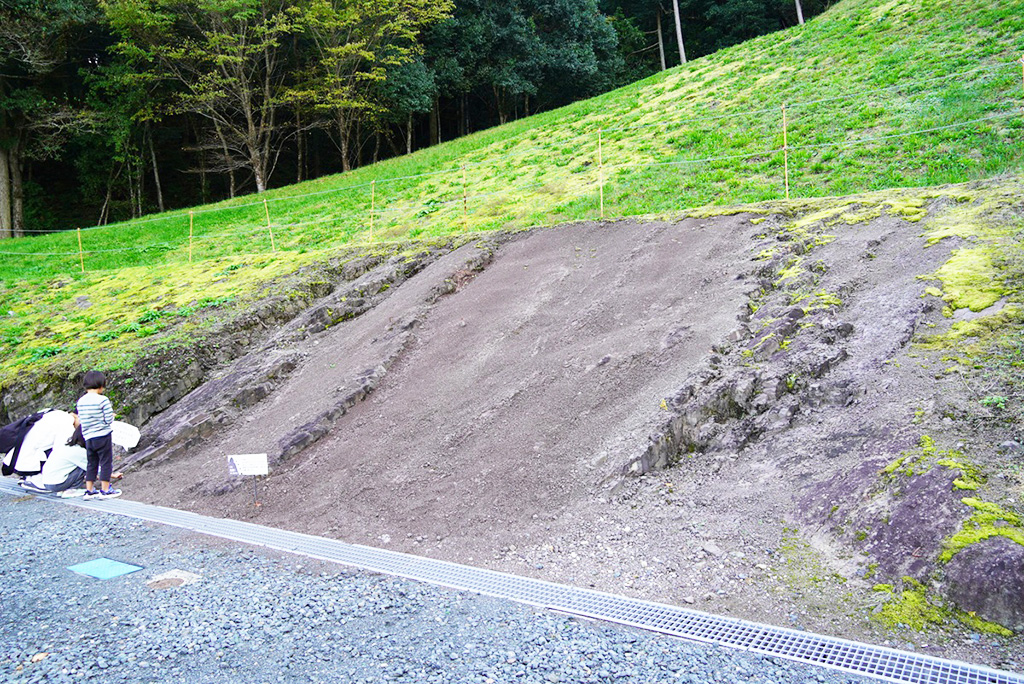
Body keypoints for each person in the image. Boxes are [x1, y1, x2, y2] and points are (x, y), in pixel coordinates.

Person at [77, 371, 121, 500]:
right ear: (101, 385)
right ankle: (105, 490)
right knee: (106, 462)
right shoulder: (103, 400)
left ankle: (89, 490)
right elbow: (108, 420)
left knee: (91, 463)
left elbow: (82, 420)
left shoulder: (81, 401)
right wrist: (112, 417)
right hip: (102, 435)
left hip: (88, 437)